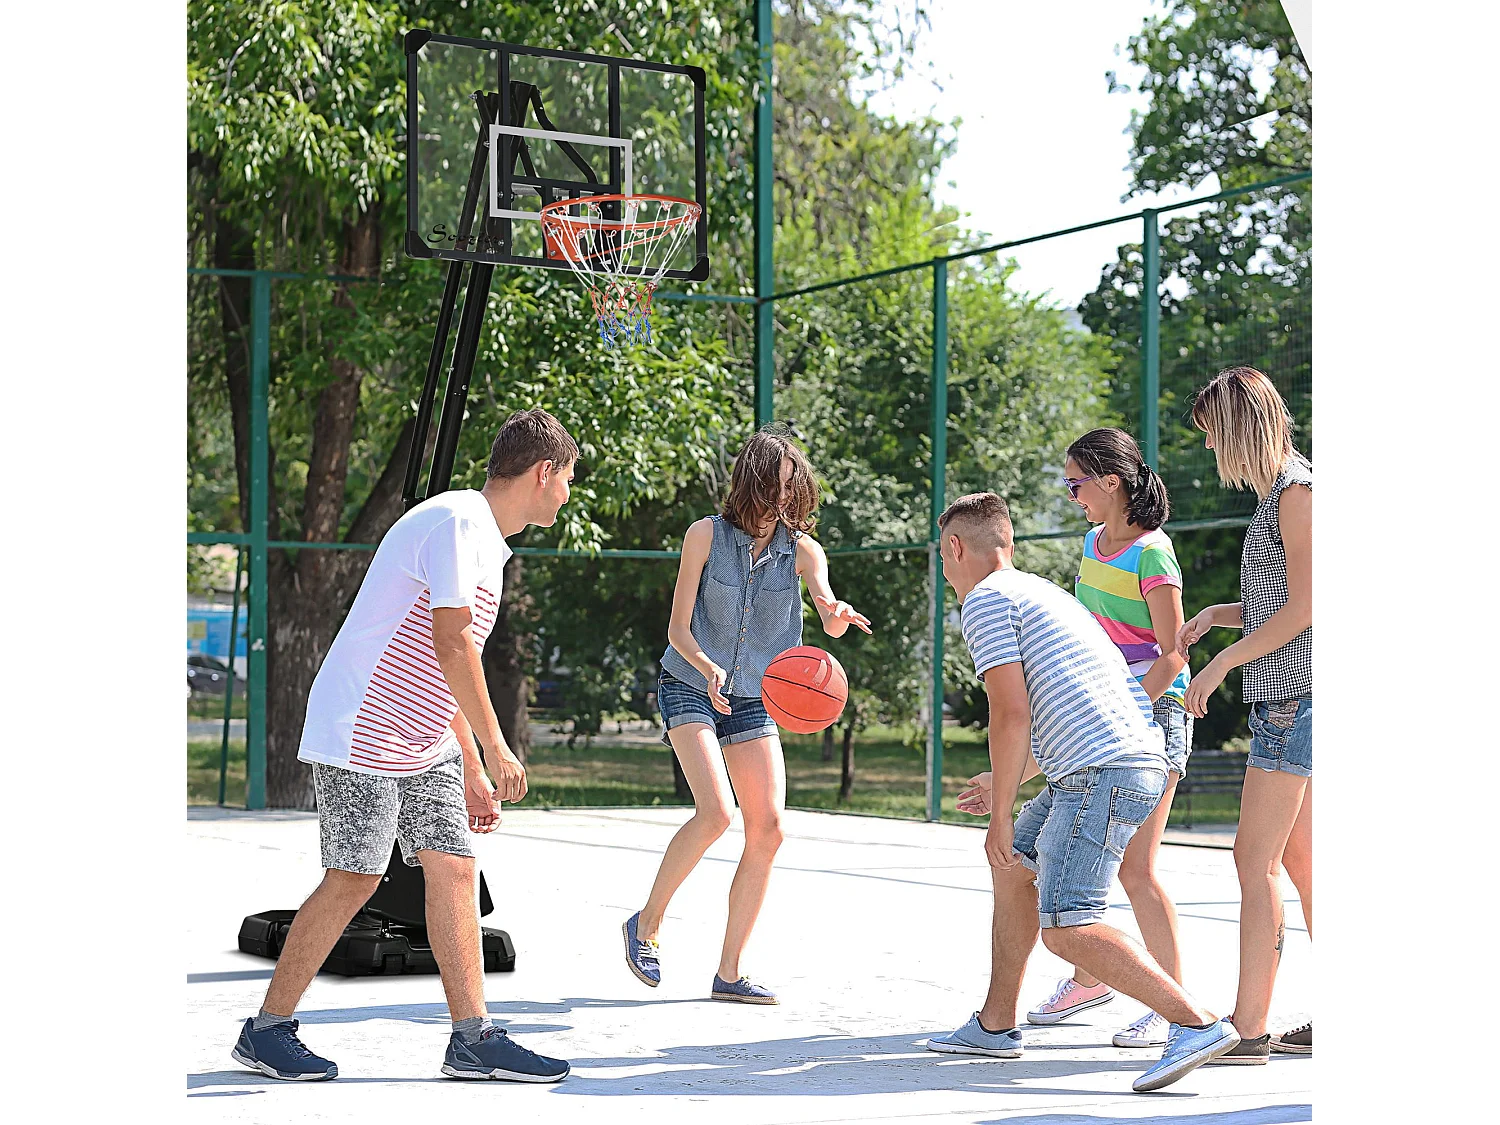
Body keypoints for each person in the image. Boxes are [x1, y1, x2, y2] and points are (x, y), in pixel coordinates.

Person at [229, 409, 579, 1083]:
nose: (566, 492)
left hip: (423, 739)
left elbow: (446, 663)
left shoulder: (488, 543)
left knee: (453, 868)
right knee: (355, 876)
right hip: (362, 729)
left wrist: (471, 765)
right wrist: (498, 744)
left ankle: (472, 1038)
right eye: (566, 478)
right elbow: (451, 643)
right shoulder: (457, 524)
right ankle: (267, 1029)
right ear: (543, 472)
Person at [926, 492, 1237, 1094]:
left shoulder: (985, 601)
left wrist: (998, 813)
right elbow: (1076, 710)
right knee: (1016, 866)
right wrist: (1008, 782)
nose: (945, 569)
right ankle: (996, 1023)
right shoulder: (1038, 592)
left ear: (957, 548)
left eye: (944, 555)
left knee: (1068, 923)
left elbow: (1011, 713)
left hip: (1106, 774)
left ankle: (1195, 1023)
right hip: (1109, 762)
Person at [622, 425, 871, 1004]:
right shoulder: (704, 536)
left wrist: (835, 614)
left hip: (755, 695)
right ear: (750, 483)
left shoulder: (804, 551)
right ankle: (647, 924)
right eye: (773, 486)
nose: (782, 500)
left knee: (770, 827)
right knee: (716, 813)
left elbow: (826, 610)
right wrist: (707, 666)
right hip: (689, 681)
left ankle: (729, 973)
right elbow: (677, 627)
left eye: (791, 488)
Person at [994, 429, 1193, 1049]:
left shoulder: (1153, 556)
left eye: (1077, 482)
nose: (1072, 493)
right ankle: (1091, 977)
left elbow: (1172, 651)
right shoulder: (1092, 543)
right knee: (1065, 857)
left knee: (1137, 870)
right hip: (1105, 716)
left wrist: (1134, 710)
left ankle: (1173, 1007)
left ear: (1112, 480)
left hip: (1155, 716)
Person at [1175, 366, 1312, 1064]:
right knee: (1303, 862)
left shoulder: (1297, 492)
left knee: (1253, 858)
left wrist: (1223, 662)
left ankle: (1249, 1027)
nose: (1209, 451)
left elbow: (1309, 606)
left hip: (1298, 700)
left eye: (1212, 435)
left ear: (1238, 428)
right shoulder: (1277, 495)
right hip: (1295, 697)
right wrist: (1217, 618)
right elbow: (1277, 604)